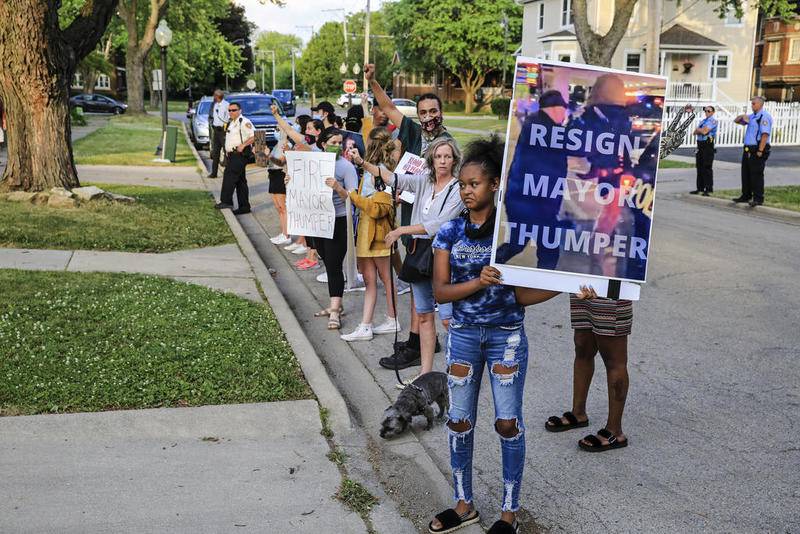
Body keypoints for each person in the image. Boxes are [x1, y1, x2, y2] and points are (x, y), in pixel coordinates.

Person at [430, 135, 597, 534]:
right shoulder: (450, 233)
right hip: (464, 337)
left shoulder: (510, 234)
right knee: (458, 421)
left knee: (508, 423)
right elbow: (441, 291)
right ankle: (463, 503)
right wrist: (478, 282)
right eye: (462, 184)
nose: (466, 190)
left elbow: (522, 293)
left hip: (506, 337)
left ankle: (509, 514)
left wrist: (569, 284)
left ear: (493, 186)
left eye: (474, 183)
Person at [365, 62, 456, 365]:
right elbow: (388, 106)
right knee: (417, 280)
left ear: (441, 112)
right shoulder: (414, 133)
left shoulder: (449, 146)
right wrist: (373, 80)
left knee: (426, 286)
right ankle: (416, 341)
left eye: (434, 111)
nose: (429, 117)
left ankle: (421, 346)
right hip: (411, 216)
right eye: (424, 112)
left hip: (435, 228)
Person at [361, 138, 464, 376]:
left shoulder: (457, 189)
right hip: (419, 255)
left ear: (454, 160)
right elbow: (393, 178)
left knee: (448, 320)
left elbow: (439, 224)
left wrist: (401, 230)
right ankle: (424, 374)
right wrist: (362, 162)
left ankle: (456, 373)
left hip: (442, 258)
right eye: (438, 156)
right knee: (425, 316)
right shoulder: (424, 182)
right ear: (431, 159)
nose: (442, 161)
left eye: (447, 156)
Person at [286, 127, 359, 330]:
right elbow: (301, 181)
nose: (337, 146)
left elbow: (354, 198)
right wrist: (291, 182)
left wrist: (338, 188)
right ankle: (337, 304)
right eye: (333, 143)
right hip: (316, 220)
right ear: (323, 143)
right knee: (327, 261)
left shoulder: (346, 167)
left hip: (338, 220)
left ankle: (335, 311)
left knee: (335, 265)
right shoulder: (313, 160)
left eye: (340, 143)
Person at [496, 89, 572, 269]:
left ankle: (486, 266)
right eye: (564, 110)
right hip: (533, 203)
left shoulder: (538, 124)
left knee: (519, 244)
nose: (565, 115)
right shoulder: (542, 128)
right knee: (548, 249)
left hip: (527, 200)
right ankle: (542, 284)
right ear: (556, 108)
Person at [341, 127, 402, 341]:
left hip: (378, 232)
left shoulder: (382, 170)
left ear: (371, 144)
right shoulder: (371, 170)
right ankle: (367, 325)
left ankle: (390, 320)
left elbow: (377, 208)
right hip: (367, 232)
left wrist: (352, 196)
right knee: (371, 280)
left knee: (385, 278)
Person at [215, 102, 254, 215]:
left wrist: (243, 145)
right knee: (240, 182)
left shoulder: (244, 122)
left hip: (240, 155)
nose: (231, 112)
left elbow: (254, 135)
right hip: (232, 155)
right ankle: (244, 207)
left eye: (234, 110)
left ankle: (226, 201)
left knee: (229, 176)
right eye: (230, 110)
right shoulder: (232, 123)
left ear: (240, 110)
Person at [733, 96, 772, 207]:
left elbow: (765, 135)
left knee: (756, 174)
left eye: (754, 103)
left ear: (760, 104)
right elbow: (736, 121)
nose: (752, 105)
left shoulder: (764, 117)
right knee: (746, 173)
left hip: (757, 148)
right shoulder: (752, 117)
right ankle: (746, 195)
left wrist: (760, 150)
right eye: (751, 103)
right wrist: (742, 116)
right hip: (748, 148)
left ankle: (758, 198)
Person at [691, 106, 717, 196]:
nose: (707, 112)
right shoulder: (703, 121)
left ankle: (708, 189)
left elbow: (705, 132)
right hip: (700, 145)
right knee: (699, 167)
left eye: (709, 111)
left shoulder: (713, 121)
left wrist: (699, 130)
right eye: (705, 111)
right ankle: (700, 188)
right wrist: (699, 130)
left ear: (713, 112)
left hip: (707, 145)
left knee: (707, 167)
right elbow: (694, 132)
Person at [207, 89, 229, 179]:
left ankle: (228, 172)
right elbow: (212, 116)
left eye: (214, 95)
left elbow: (227, 118)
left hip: (223, 130)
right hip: (216, 130)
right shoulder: (215, 104)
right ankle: (214, 172)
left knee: (226, 151)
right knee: (215, 152)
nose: (213, 97)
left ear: (218, 96)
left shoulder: (226, 105)